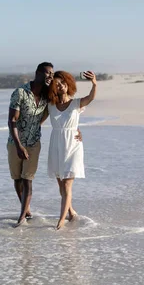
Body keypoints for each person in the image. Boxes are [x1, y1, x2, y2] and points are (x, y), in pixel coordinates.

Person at [46, 70, 97, 229]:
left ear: (69, 85)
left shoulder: (76, 104)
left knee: (67, 184)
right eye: (57, 83)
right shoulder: (51, 106)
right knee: (61, 185)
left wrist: (94, 83)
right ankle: (71, 212)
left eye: (63, 83)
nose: (61, 86)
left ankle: (61, 220)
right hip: (56, 145)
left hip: (73, 146)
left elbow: (90, 98)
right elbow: (37, 121)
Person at [7, 62, 54, 228]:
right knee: (17, 178)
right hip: (15, 143)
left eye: (52, 74)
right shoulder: (20, 93)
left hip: (34, 143)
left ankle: (22, 217)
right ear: (38, 73)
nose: (50, 76)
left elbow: (63, 108)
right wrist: (19, 146)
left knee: (28, 179)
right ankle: (25, 208)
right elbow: (12, 120)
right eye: (47, 73)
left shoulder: (48, 96)